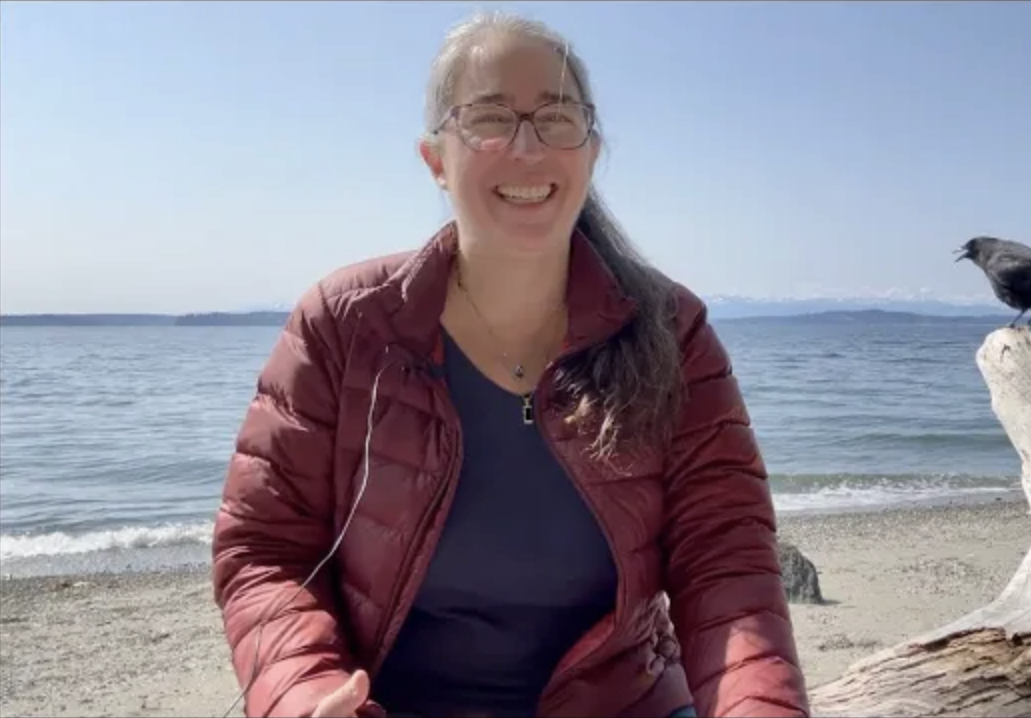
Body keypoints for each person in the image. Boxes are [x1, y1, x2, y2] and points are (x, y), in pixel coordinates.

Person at [211, 10, 808, 718]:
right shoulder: (344, 323)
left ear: (590, 150)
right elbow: (265, 549)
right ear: (435, 159)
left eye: (556, 119)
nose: (528, 148)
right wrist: (302, 691)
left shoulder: (672, 330)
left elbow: (727, 558)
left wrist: (757, 708)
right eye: (490, 118)